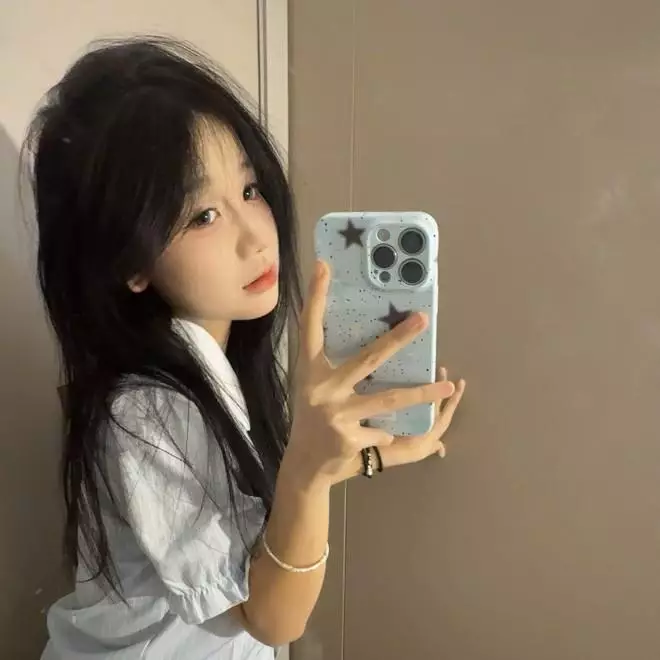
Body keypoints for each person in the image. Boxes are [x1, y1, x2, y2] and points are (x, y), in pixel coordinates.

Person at [26, 36, 466, 660]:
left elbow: (263, 515)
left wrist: (365, 454)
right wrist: (310, 466)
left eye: (250, 189)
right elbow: (271, 618)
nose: (255, 236)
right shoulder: (147, 413)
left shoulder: (213, 367)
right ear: (130, 261)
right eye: (202, 216)